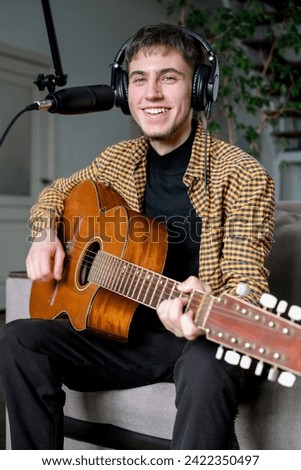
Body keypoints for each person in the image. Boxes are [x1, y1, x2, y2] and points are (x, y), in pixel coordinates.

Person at [0, 23, 275, 450]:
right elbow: (54, 195)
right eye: (139, 79)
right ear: (124, 91)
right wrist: (43, 234)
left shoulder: (241, 175)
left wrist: (215, 307)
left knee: (206, 363)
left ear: (199, 89)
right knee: (16, 337)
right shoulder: (119, 159)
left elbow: (248, 287)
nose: (152, 94)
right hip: (120, 335)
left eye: (169, 77)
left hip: (198, 340)